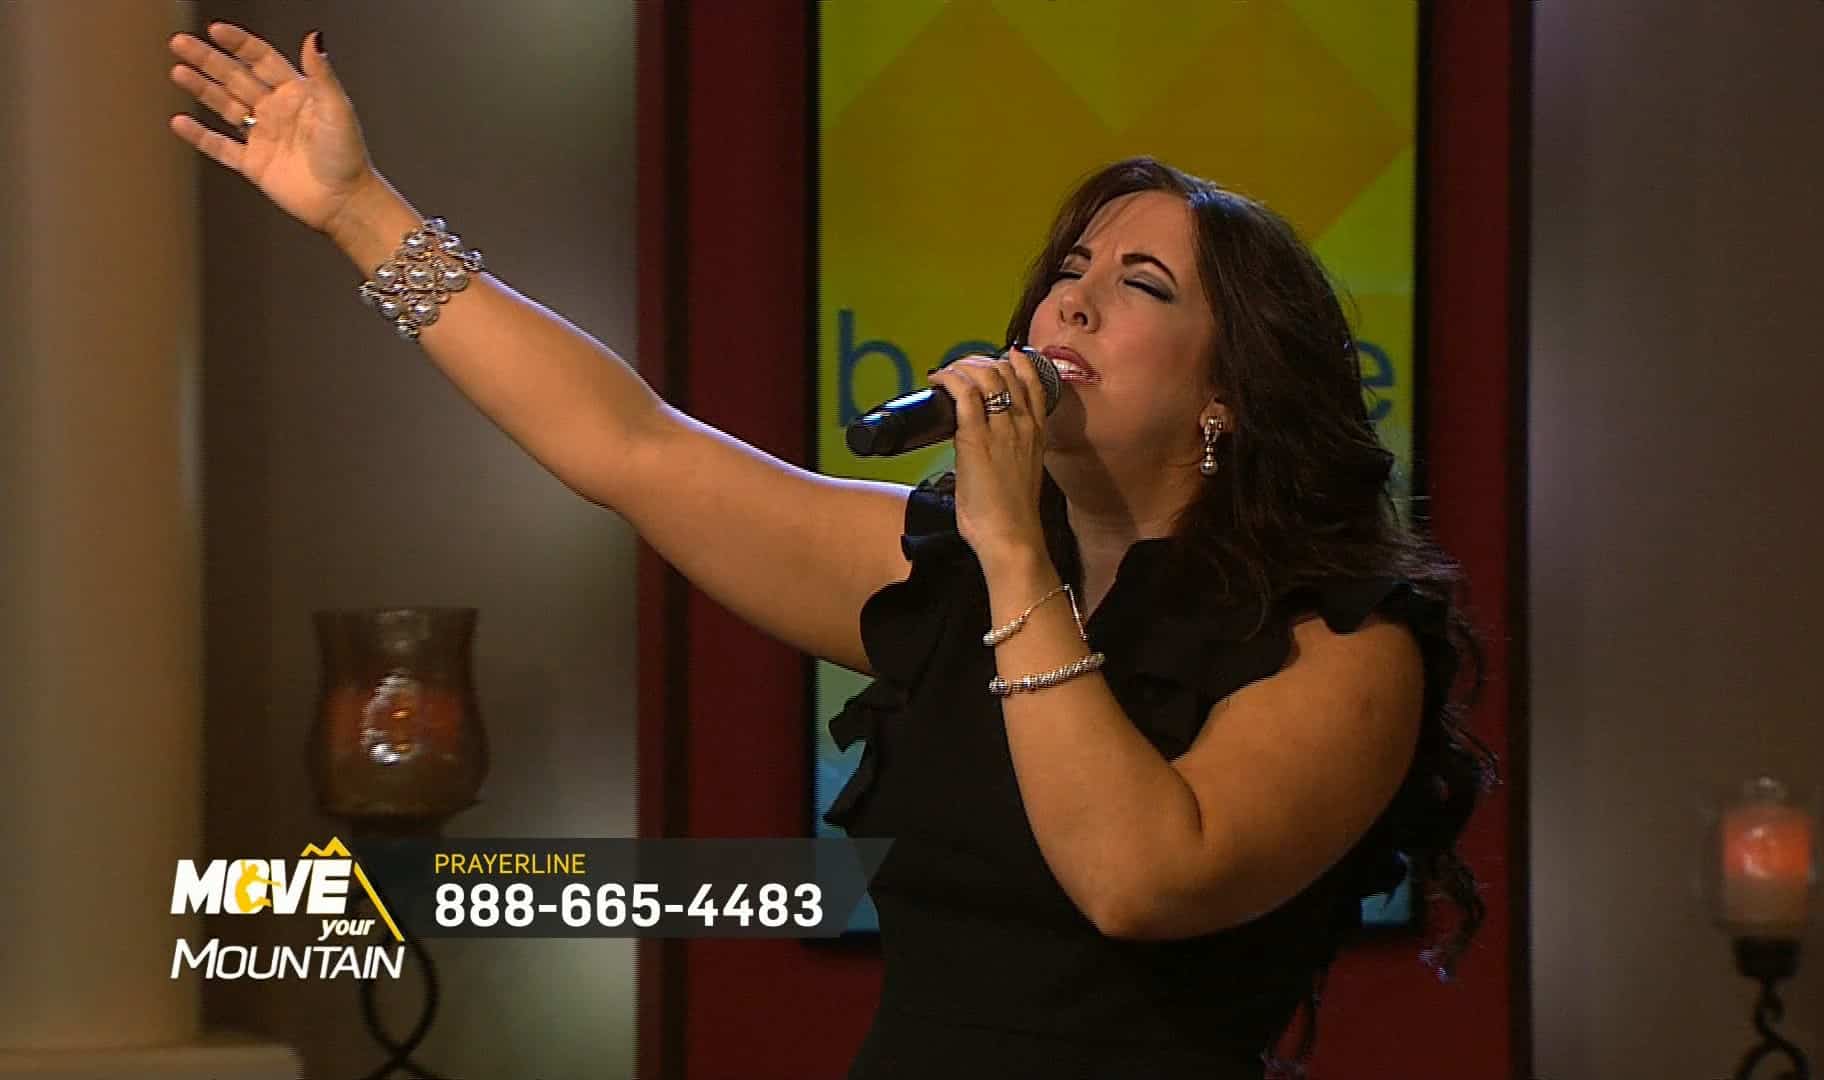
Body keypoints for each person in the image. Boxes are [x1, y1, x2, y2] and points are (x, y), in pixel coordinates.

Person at [167, 23, 1494, 1079]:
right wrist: (356, 210)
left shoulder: (1342, 641)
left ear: (1229, 397)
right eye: (1070, 268)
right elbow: (630, 446)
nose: (1071, 301)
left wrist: (1010, 549)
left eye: (1140, 288)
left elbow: (1140, 881)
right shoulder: (950, 570)